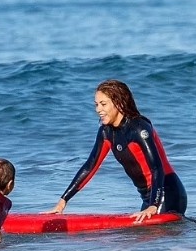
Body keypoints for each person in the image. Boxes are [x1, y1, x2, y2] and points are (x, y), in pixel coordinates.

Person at [48, 79, 186, 222]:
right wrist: (63, 201)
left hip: (166, 192)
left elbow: (157, 168)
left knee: (153, 237)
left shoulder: (139, 128)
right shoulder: (106, 133)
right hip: (148, 198)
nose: (98, 110)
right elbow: (90, 167)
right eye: (96, 105)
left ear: (119, 103)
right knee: (144, 239)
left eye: (103, 104)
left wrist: (153, 205)